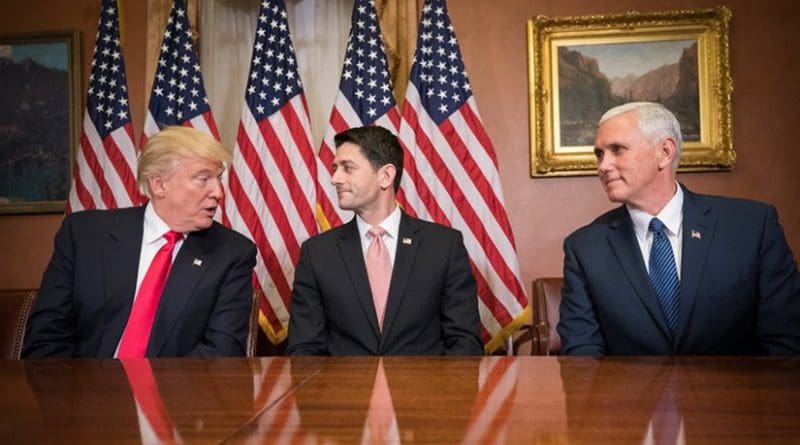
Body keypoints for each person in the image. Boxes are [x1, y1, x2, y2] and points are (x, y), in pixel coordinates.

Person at [558, 102, 800, 355]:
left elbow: (785, 343)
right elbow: (582, 358)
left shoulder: (752, 227)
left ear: (664, 152)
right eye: (599, 154)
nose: (603, 166)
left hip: (737, 393)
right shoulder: (584, 247)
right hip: (628, 395)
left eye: (617, 150)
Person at [23, 126, 257, 358]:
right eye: (203, 179)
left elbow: (221, 352)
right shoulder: (85, 235)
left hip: (172, 392)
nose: (218, 191)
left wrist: (147, 394)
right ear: (159, 184)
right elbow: (47, 336)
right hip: (81, 388)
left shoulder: (232, 253)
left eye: (218, 178)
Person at [286, 126, 483, 355]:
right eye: (335, 168)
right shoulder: (317, 253)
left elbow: (465, 342)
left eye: (347, 168)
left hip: (424, 388)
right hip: (344, 389)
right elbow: (303, 349)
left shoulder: (443, 246)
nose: (335, 179)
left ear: (386, 175)